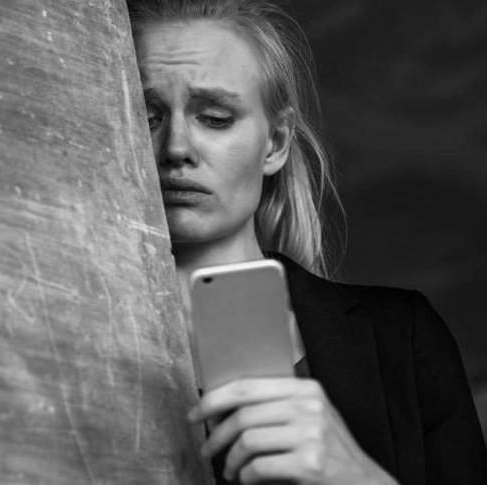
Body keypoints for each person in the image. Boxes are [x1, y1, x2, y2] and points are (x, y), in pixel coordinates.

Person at [126, 0, 487, 483]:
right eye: (146, 116)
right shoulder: (59, 332)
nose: (175, 148)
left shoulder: (402, 337)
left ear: (275, 144)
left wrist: (356, 476)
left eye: (214, 117)